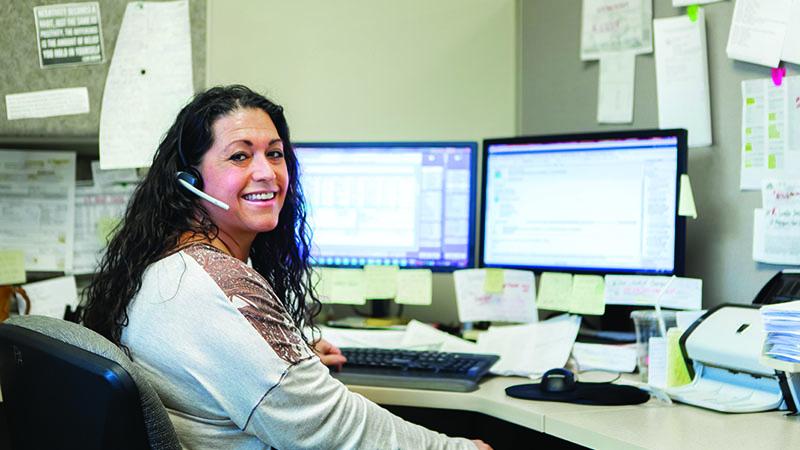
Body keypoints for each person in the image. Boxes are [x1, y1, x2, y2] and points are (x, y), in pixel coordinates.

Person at [82, 85, 491, 450]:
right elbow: (334, 432)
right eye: (240, 156)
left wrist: (287, 366)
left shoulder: (168, 265)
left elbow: (222, 363)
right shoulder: (216, 288)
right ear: (189, 180)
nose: (267, 173)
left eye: (274, 154)